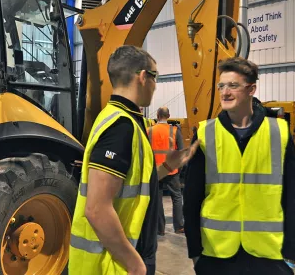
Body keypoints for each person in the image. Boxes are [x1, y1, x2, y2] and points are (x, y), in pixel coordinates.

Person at [69, 45, 199, 275]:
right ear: (142, 76)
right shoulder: (120, 127)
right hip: (116, 263)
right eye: (155, 77)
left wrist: (169, 166)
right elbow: (97, 208)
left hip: (129, 253)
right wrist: (134, 263)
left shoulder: (126, 121)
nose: (156, 85)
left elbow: (135, 184)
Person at [183, 56, 295, 275]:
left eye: (233, 86)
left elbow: (292, 196)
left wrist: (291, 254)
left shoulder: (279, 132)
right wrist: (195, 253)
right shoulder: (206, 133)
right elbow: (192, 198)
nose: (225, 92)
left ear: (251, 89)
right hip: (216, 254)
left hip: (269, 254)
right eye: (221, 86)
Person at [147, 107, 185, 235]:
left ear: (157, 116)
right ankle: (179, 226)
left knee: (157, 199)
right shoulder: (174, 130)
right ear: (168, 115)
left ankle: (160, 229)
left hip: (156, 170)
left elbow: (146, 152)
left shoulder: (149, 131)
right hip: (171, 169)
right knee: (177, 197)